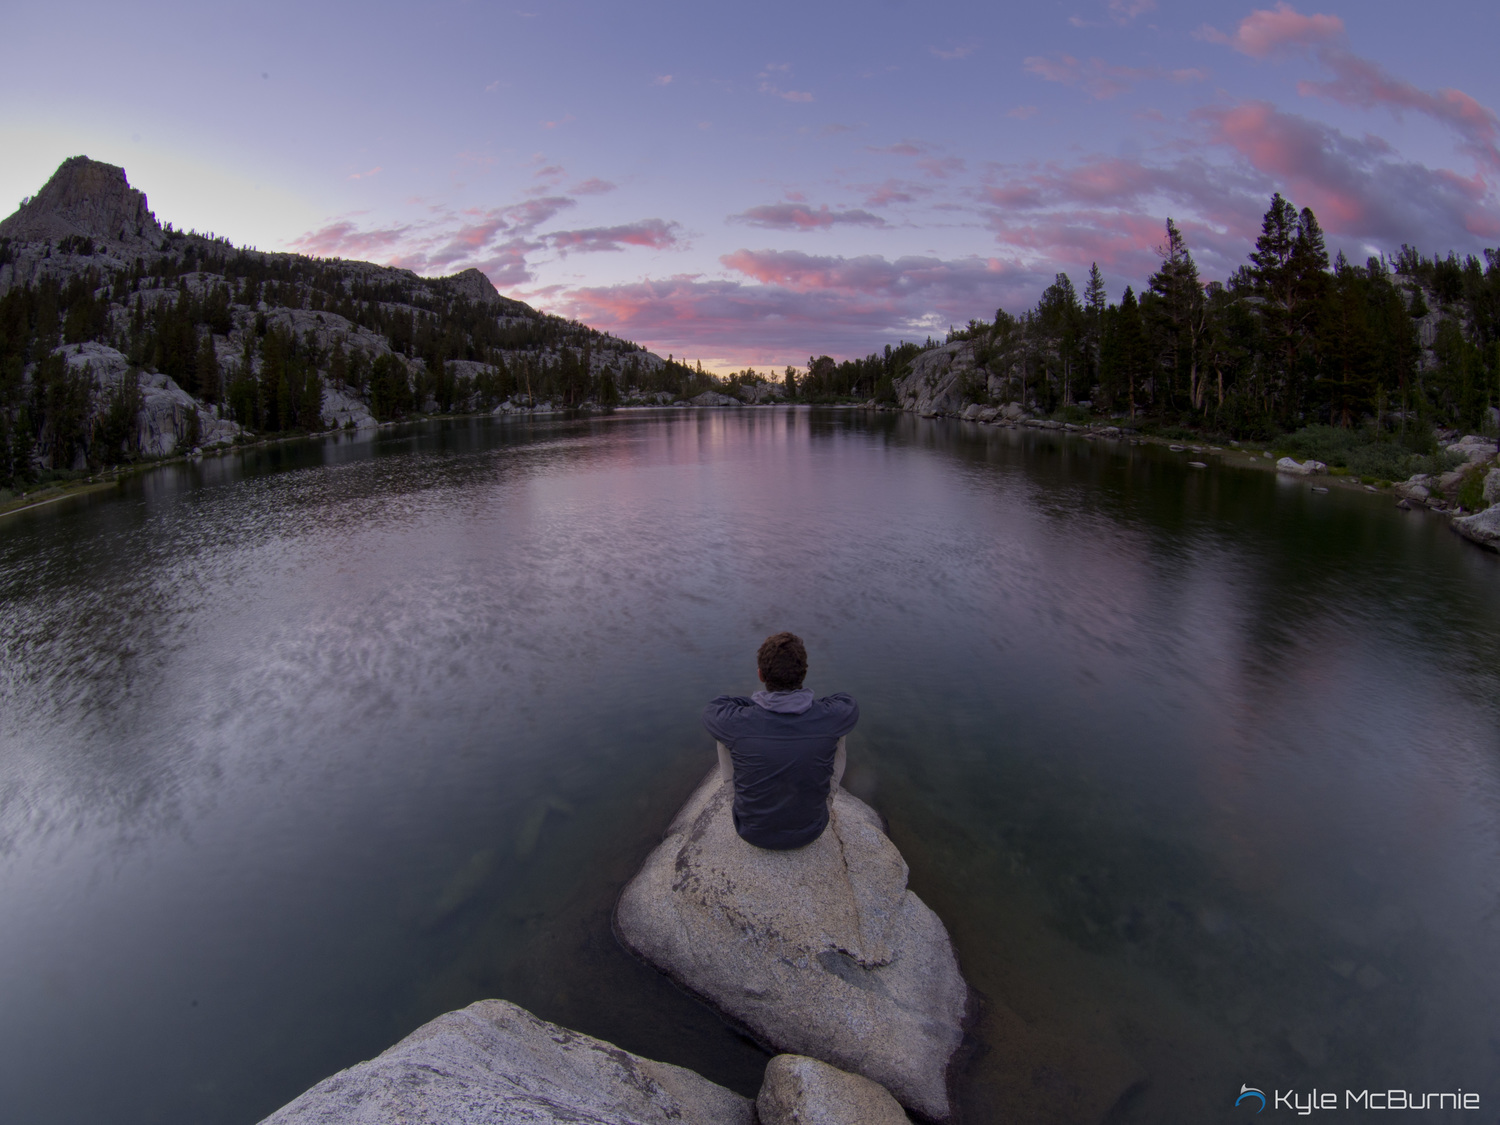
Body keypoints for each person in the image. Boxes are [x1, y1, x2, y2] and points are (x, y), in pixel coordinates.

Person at [701, 632, 859, 850]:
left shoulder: (741, 721)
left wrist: (755, 706)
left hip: (751, 830)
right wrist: (810, 708)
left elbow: (715, 707)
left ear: (760, 675)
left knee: (725, 731)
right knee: (839, 728)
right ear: (804, 673)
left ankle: (741, 800)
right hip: (812, 829)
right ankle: (819, 801)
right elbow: (846, 702)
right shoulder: (827, 717)